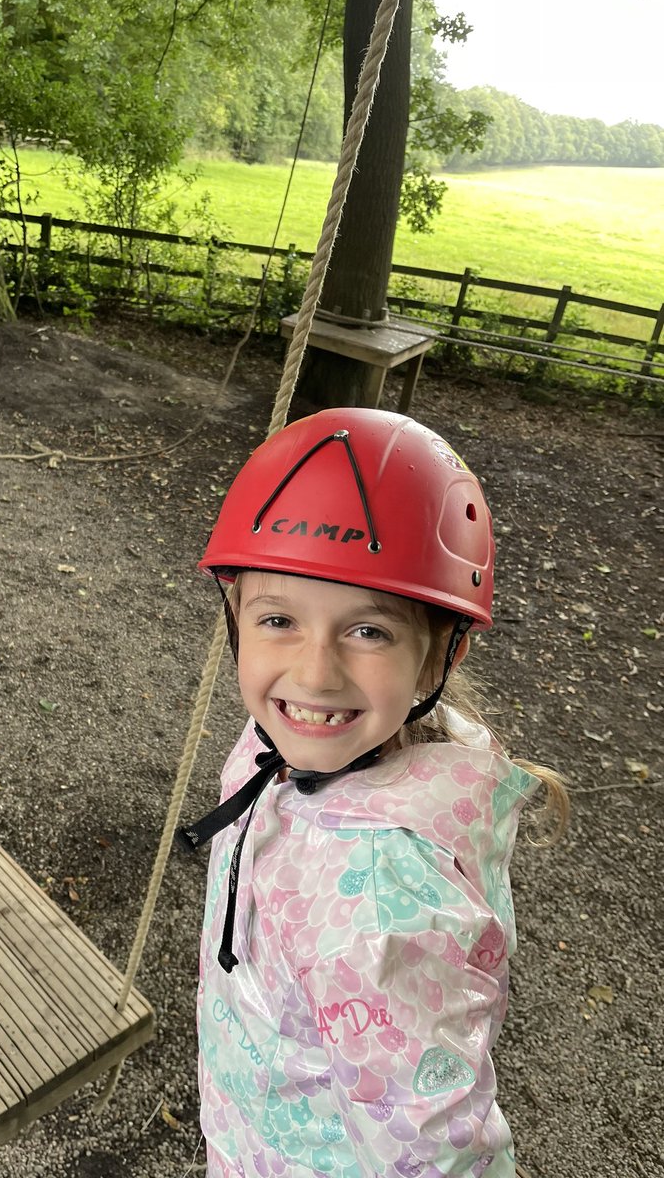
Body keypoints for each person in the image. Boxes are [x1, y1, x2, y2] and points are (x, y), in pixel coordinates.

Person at [182, 407, 568, 1177]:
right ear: (237, 624)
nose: (316, 672)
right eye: (279, 618)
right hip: (259, 1125)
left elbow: (429, 1151)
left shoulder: (385, 912)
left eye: (369, 632)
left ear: (436, 660)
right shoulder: (286, 747)